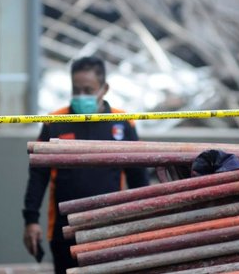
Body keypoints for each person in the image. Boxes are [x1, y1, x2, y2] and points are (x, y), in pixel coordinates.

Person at [22, 56, 149, 273]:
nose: (81, 96)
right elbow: (38, 174)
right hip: (64, 230)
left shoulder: (123, 123)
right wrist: (31, 220)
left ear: (104, 88)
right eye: (76, 90)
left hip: (109, 228)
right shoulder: (55, 121)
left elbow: (138, 178)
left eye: (88, 90)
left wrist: (144, 224)